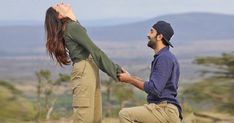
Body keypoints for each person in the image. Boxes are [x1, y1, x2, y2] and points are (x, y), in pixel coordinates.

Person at [44, 3, 122, 123]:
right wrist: (116, 71)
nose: (60, 3)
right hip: (85, 69)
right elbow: (95, 51)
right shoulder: (72, 27)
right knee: (84, 117)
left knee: (95, 118)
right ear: (59, 15)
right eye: (58, 6)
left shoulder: (73, 26)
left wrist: (72, 17)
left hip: (89, 68)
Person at [118, 21, 182, 123]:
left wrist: (130, 80)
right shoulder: (165, 57)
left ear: (159, 36)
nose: (148, 34)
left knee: (125, 114)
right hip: (163, 110)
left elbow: (154, 88)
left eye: (151, 31)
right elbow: (153, 85)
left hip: (164, 110)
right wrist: (130, 77)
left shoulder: (164, 58)